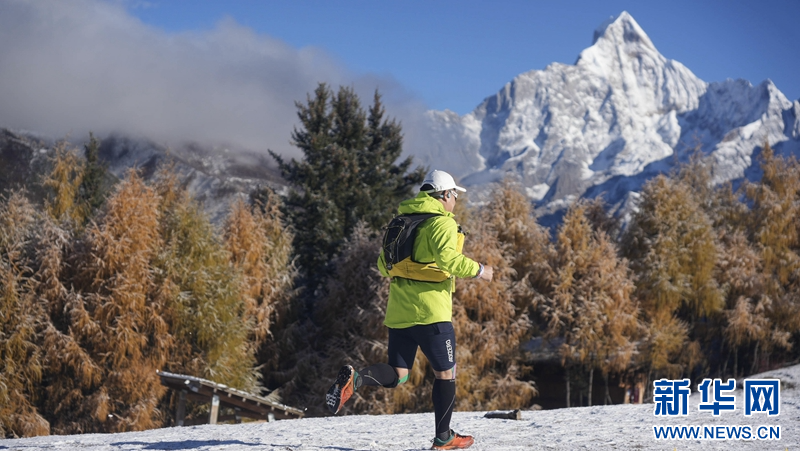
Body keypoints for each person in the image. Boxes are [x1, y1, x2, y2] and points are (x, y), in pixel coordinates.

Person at [326, 169, 493, 450]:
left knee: (398, 373)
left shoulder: (400, 222)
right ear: (444, 195)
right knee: (446, 374)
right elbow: (449, 260)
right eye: (454, 195)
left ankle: (357, 379)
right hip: (433, 315)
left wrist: (412, 269)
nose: (455, 201)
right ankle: (444, 438)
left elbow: (383, 266)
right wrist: (480, 270)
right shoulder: (442, 224)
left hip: (400, 314)